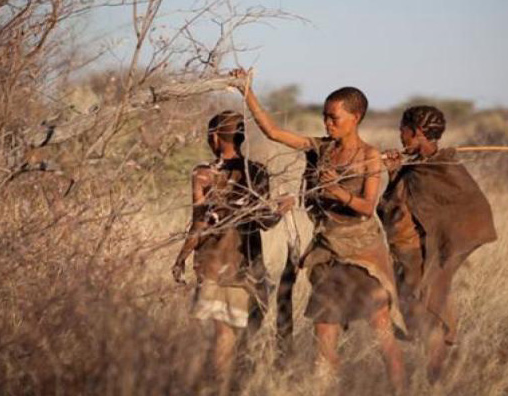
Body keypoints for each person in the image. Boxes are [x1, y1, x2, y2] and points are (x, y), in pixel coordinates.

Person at [229, 68, 407, 392]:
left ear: (356, 117)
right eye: (325, 117)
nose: (327, 124)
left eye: (334, 118)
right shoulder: (320, 148)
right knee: (324, 329)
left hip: (363, 253)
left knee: (382, 333)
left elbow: (367, 207)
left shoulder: (369, 156)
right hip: (328, 253)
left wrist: (337, 192)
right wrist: (247, 92)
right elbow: (273, 132)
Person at [172, 110, 292, 395]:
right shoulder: (257, 171)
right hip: (246, 266)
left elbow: (199, 223)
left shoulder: (203, 173)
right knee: (236, 336)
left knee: (221, 336)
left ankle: (219, 388)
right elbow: (265, 222)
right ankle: (232, 386)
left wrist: (181, 257)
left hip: (212, 264)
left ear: (214, 137)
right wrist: (281, 209)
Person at [379, 105, 496, 382]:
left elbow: (474, 209)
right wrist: (394, 173)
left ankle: (437, 379)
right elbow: (390, 209)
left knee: (433, 312)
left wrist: (447, 246)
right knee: (417, 316)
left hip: (434, 255)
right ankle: (434, 378)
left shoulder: (444, 166)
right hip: (408, 255)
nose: (400, 136)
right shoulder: (412, 168)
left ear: (418, 132)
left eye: (403, 131)